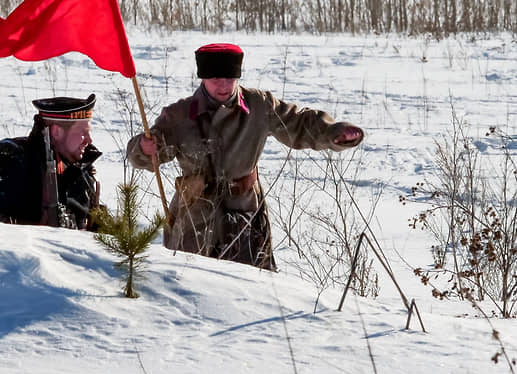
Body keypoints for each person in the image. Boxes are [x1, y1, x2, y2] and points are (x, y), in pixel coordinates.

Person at [126, 44, 364, 269]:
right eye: (215, 79)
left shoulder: (259, 105)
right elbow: (144, 156)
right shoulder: (179, 115)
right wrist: (144, 149)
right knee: (189, 282)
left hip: (244, 212)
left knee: (249, 285)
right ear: (202, 78)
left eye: (230, 78)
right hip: (195, 217)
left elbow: (299, 123)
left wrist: (334, 132)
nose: (224, 86)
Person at [0, 94, 102, 229]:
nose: (89, 140)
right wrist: (34, 231)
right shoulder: (12, 157)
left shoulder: (83, 170)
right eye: (82, 132)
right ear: (56, 132)